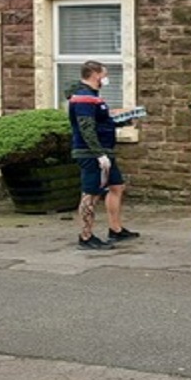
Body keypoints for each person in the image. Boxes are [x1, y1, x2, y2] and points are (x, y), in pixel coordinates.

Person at [68, 60, 140, 250]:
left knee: (117, 186)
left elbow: (101, 122)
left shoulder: (94, 97)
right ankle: (86, 236)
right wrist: (98, 153)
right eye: (104, 75)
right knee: (90, 194)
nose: (106, 79)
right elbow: (86, 128)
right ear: (95, 74)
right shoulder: (84, 98)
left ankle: (115, 229)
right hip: (91, 153)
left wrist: (124, 121)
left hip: (104, 151)